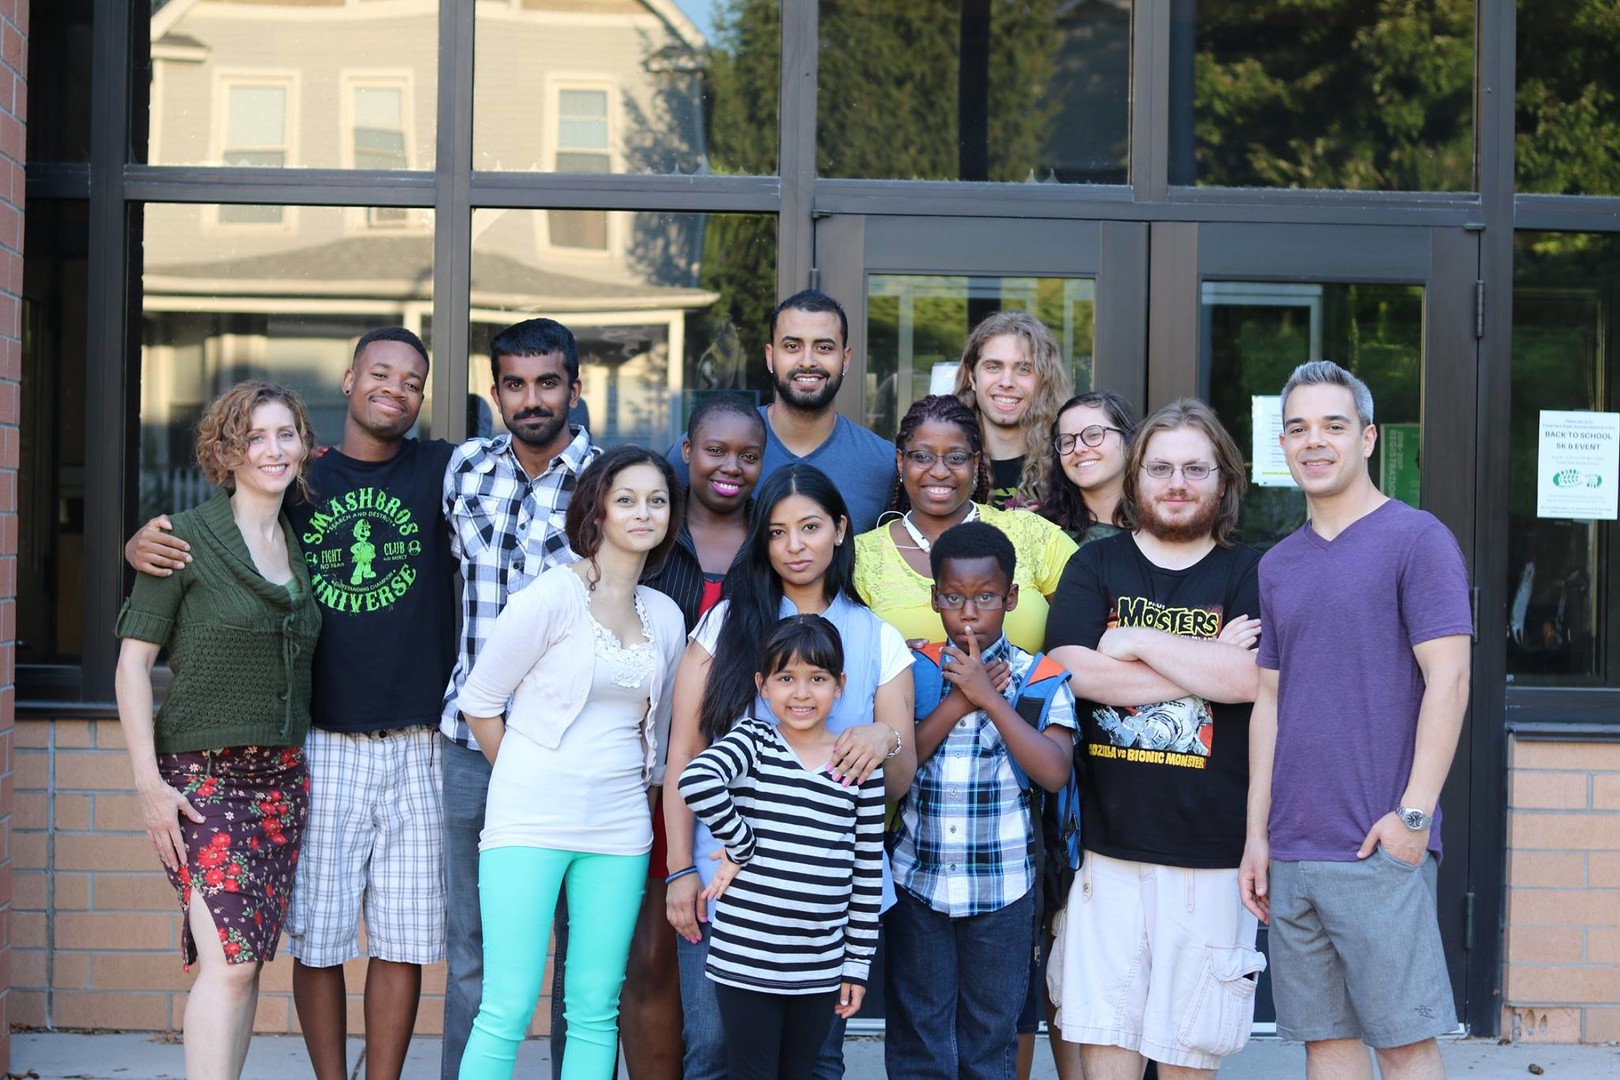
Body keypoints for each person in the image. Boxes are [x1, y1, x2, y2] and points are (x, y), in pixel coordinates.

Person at [124, 329, 457, 1080]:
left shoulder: (438, 470)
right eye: (380, 373)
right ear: (348, 379)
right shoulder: (301, 489)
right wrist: (138, 544)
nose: (395, 389)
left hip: (397, 744)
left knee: (394, 941)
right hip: (314, 744)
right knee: (307, 942)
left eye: (412, 381)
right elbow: (205, 547)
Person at [1239, 362, 1471, 1080]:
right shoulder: (1279, 565)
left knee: (1403, 1046)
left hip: (1377, 845)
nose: (1315, 441)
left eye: (1333, 425)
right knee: (1326, 1044)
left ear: (1367, 438)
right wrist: (1257, 835)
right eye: (1298, 428)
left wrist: (1413, 817)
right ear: (1283, 444)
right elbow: (1270, 701)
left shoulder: (1417, 539)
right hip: (1294, 849)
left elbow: (1450, 679)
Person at [663, 464, 917, 1080]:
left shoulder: (877, 637)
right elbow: (685, 755)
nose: (794, 546)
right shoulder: (726, 625)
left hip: (823, 897)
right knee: (714, 1050)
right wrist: (679, 870)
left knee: (816, 1060)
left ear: (841, 529)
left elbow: (900, 777)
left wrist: (884, 737)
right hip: (725, 882)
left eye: (810, 527)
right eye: (777, 532)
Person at [1044, 398, 1267, 1080]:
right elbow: (1073, 670)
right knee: (1105, 1046)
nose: (1177, 483)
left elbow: (1250, 680)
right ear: (1136, 477)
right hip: (1104, 853)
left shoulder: (1251, 572)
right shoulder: (1096, 565)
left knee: (1187, 1057)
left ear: (1224, 481)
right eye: (1161, 468)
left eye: (1196, 469)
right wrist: (1205, 665)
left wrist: (1135, 640)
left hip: (1213, 857)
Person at [454, 446, 688, 1079]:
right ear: (598, 511)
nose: (643, 513)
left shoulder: (665, 616)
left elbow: (660, 739)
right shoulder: (552, 596)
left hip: (619, 830)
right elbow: (479, 702)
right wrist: (522, 778)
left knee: (594, 1009)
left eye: (657, 501)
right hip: (529, 820)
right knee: (506, 1006)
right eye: (626, 500)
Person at [114, 380, 322, 1080]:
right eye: (255, 437)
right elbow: (131, 667)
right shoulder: (180, 541)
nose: (272, 450)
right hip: (202, 781)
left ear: (303, 445)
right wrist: (149, 787)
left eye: (285, 434)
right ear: (226, 451)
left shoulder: (298, 541)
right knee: (229, 963)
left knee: (246, 962)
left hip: (282, 783)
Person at [441, 317, 602, 1079]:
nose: (531, 399)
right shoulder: (463, 468)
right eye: (515, 385)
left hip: (569, 752)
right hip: (469, 747)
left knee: (579, 954)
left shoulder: (610, 483)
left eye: (547, 383)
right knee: (471, 945)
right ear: (496, 390)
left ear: (575, 386)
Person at [886, 521, 1079, 1080]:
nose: (969, 614)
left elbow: (1054, 772)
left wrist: (991, 698)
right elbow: (899, 765)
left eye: (986, 598)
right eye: (954, 598)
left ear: (1011, 597)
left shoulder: (1040, 678)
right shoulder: (913, 671)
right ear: (934, 598)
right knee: (919, 1036)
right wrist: (957, 703)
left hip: (1004, 889)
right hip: (918, 882)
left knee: (990, 1040)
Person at [677, 614, 885, 1080]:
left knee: (802, 1072)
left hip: (819, 963)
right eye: (786, 678)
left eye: (818, 679)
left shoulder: (858, 765)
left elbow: (866, 871)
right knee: (751, 1072)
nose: (802, 693)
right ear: (763, 686)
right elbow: (696, 779)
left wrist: (856, 963)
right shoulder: (753, 742)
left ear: (840, 685)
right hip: (746, 956)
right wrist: (741, 843)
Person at [627, 391, 767, 1078]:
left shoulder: (773, 539)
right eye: (715, 451)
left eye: (748, 455)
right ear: (687, 451)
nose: (730, 467)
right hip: (650, 770)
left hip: (743, 783)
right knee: (652, 954)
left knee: (729, 957)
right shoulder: (654, 532)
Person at [853, 394, 1077, 654]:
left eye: (956, 458)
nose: (939, 471)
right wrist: (884, 661)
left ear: (975, 462)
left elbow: (1096, 621)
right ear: (901, 462)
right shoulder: (861, 558)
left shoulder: (1031, 534)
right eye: (923, 457)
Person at [670, 290, 896, 533]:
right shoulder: (707, 449)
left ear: (846, 359)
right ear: (770, 357)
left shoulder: (882, 463)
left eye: (823, 347)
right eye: (792, 346)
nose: (807, 361)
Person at [952, 310, 1073, 510]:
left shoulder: (1067, 463)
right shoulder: (941, 463)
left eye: (1023, 369)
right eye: (993, 367)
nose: (1006, 382)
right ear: (971, 376)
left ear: (1044, 380)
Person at [1041, 391, 1139, 544]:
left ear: (1128, 440)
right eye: (1067, 442)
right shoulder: (1043, 534)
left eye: (1093, 435)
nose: (1078, 449)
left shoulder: (1162, 525)